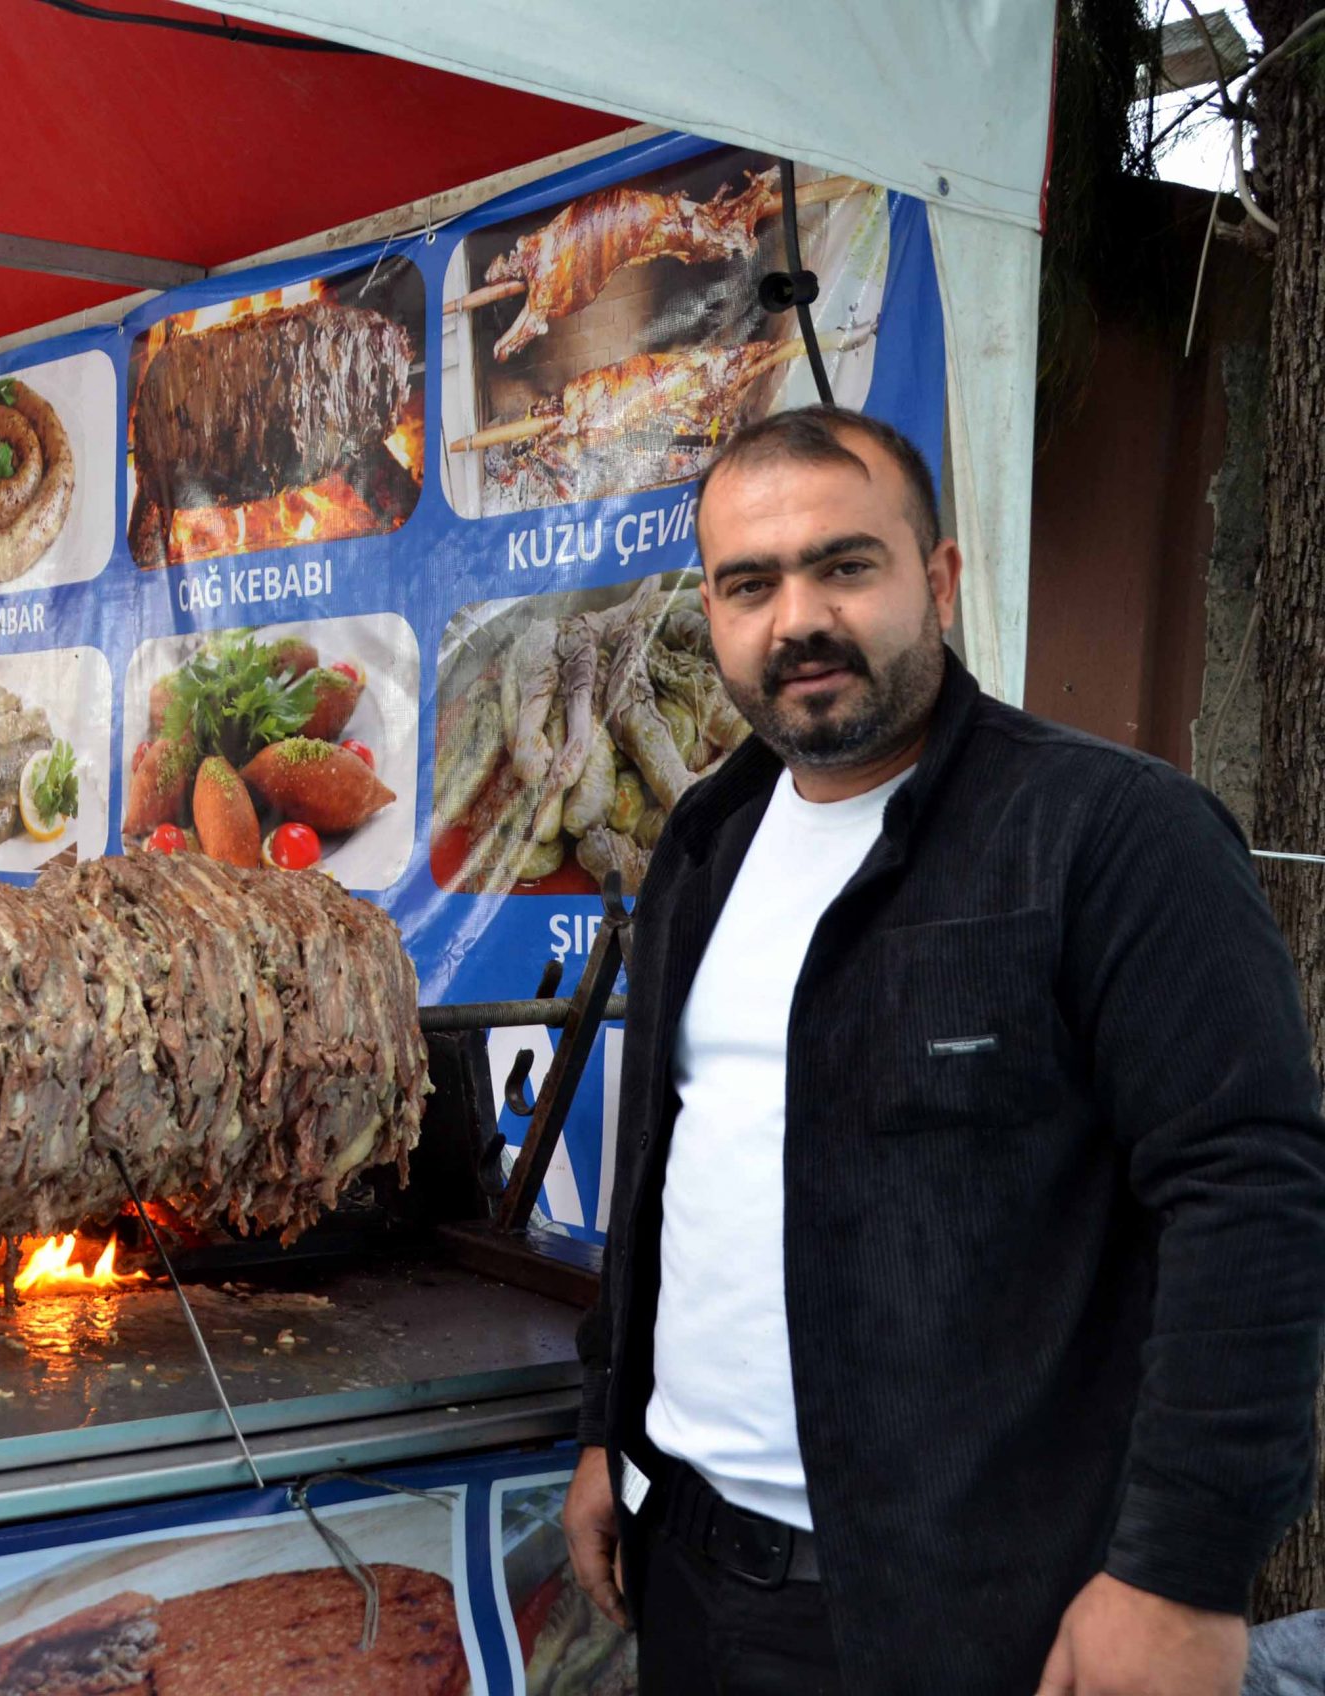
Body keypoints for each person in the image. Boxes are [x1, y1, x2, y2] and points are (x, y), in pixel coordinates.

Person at [561, 405, 1325, 1694]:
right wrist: (607, 1433)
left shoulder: (1110, 836)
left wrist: (1177, 1574)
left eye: (843, 565)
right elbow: (666, 1172)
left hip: (965, 1614)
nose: (796, 617)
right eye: (751, 583)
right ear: (712, 611)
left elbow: (1250, 1193)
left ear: (940, 579)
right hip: (686, 1573)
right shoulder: (703, 841)